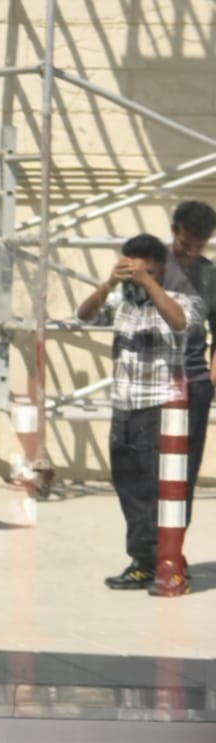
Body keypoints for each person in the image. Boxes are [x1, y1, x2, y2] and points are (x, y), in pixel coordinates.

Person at [77, 234, 203, 591]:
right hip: (123, 407)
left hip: (158, 409)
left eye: (142, 270)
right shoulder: (122, 302)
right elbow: (84, 315)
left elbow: (180, 322)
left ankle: (158, 560)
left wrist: (148, 283)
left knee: (157, 491)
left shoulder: (183, 299)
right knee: (129, 488)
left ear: (160, 269)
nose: (134, 278)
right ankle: (149, 558)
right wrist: (109, 283)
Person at [163, 200, 216, 521]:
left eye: (200, 246)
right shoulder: (152, 268)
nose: (192, 253)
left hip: (194, 385)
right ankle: (147, 546)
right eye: (186, 245)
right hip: (152, 385)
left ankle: (175, 543)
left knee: (185, 474)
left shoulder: (210, 275)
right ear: (174, 232)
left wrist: (211, 380)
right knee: (148, 471)